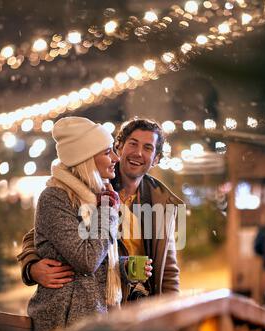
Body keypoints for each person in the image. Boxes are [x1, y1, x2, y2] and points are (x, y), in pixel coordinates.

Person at [17, 117, 184, 303]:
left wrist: (172, 316)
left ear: (156, 159)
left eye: (148, 148)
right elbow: (39, 233)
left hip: (140, 306)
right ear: (118, 147)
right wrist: (31, 267)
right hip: (102, 304)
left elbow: (168, 270)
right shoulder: (89, 188)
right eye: (132, 144)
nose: (138, 153)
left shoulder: (160, 202)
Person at [27, 116, 122, 331]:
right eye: (108, 152)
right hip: (64, 325)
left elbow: (95, 260)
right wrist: (107, 211)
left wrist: (124, 270)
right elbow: (87, 260)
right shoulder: (54, 199)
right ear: (86, 159)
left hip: (92, 320)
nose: (116, 158)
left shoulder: (95, 197)